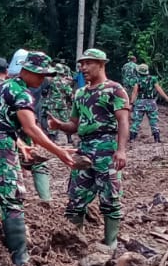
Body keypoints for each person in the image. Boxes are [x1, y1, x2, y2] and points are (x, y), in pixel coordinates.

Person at [0, 52, 76, 266]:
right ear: (27, 71)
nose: (44, 79)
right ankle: (20, 259)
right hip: (0, 148)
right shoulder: (22, 93)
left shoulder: (4, 86)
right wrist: (60, 152)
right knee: (12, 203)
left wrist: (20, 144)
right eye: (41, 74)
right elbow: (30, 127)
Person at [51, 49, 130, 248]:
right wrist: (59, 125)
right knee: (75, 199)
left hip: (106, 148)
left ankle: (110, 243)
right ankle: (76, 243)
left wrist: (121, 150)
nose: (83, 68)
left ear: (101, 64)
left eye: (88, 63)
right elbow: (74, 125)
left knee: (110, 198)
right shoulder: (81, 93)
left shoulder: (115, 89)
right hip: (84, 149)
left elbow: (123, 121)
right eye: (81, 64)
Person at [128, 60, 168, 144]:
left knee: (136, 121)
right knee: (153, 121)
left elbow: (135, 92)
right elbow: (159, 89)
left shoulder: (136, 80)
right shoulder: (153, 79)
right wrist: (167, 98)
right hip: (151, 102)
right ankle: (157, 139)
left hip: (140, 102)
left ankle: (132, 139)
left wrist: (131, 103)